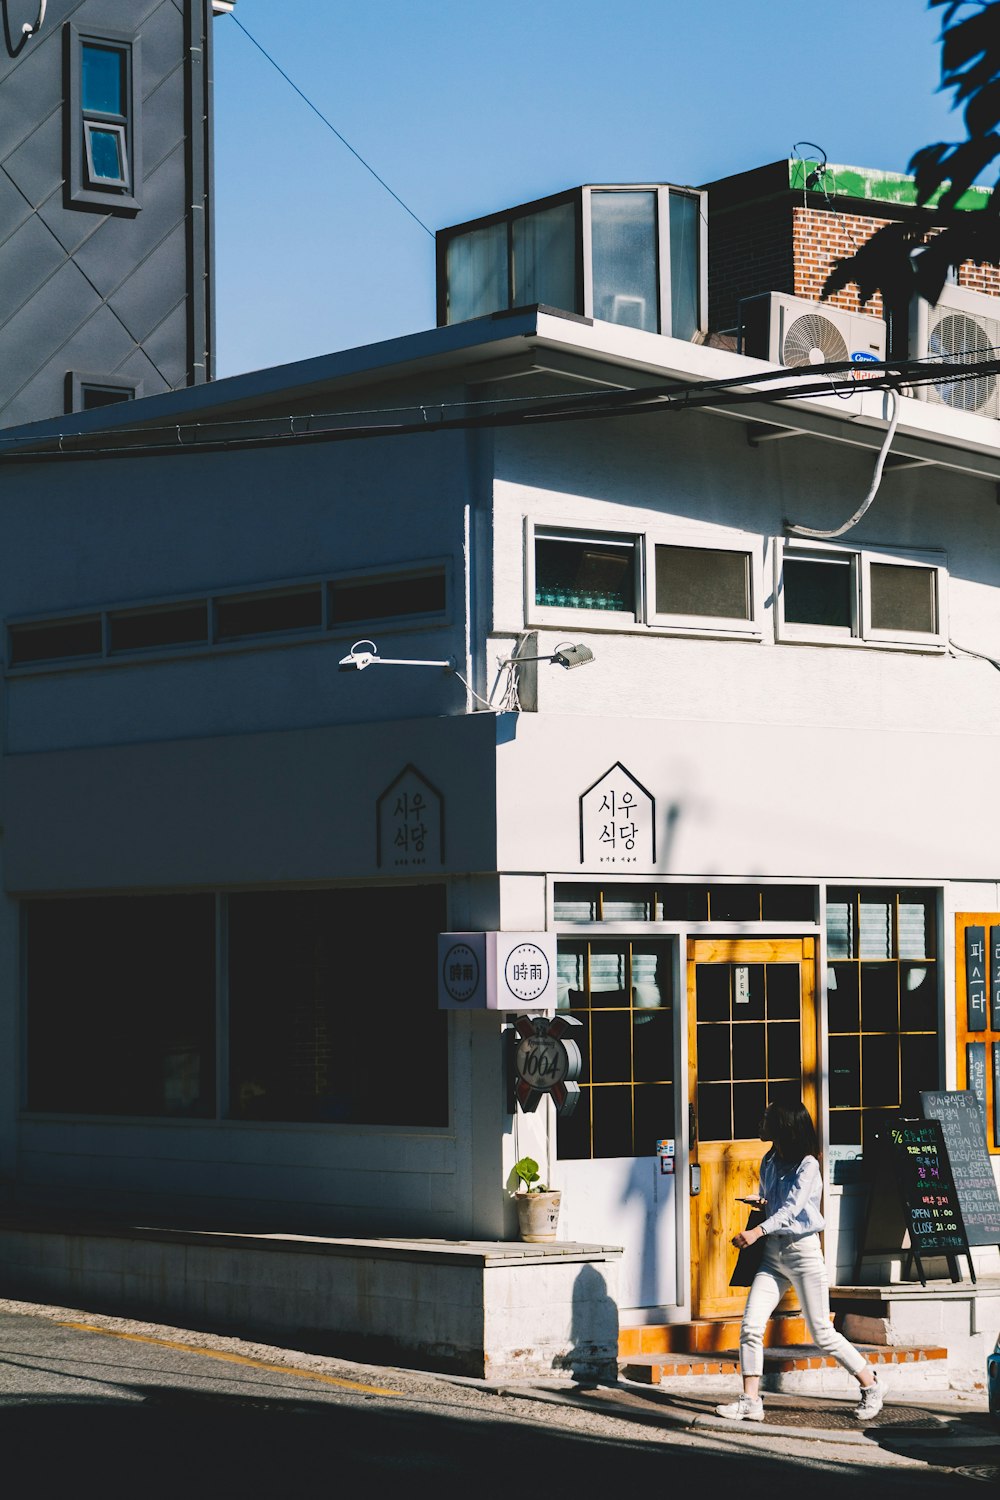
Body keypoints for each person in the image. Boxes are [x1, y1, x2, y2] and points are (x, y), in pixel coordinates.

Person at [716, 1098, 884, 1423]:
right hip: (773, 1256)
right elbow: (775, 1202)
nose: (760, 1123)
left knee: (821, 1331)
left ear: (783, 1126)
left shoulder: (808, 1164)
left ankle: (871, 1384)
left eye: (766, 1118)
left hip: (803, 1253)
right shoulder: (769, 1159)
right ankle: (750, 1401)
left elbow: (793, 1209)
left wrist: (756, 1232)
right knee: (750, 1326)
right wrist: (761, 1202)